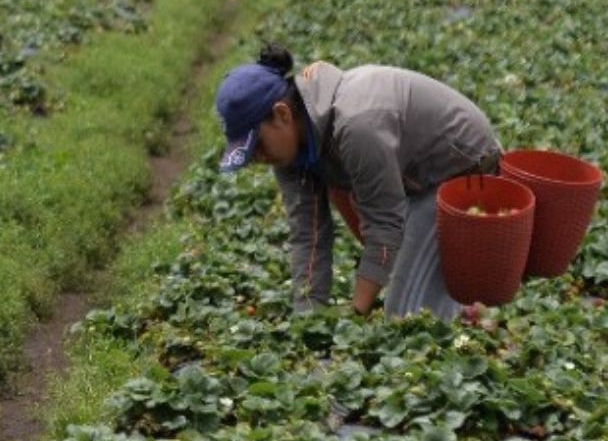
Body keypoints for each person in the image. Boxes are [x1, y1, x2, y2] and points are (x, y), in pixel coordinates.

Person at [215, 45, 501, 319]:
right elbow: (308, 234)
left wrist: (357, 312)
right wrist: (308, 317)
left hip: (465, 173)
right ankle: (446, 298)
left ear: (282, 114)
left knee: (404, 320)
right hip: (410, 183)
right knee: (359, 214)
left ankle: (454, 300)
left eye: (257, 145)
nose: (257, 158)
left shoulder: (357, 126)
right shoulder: (290, 152)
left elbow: (385, 224)